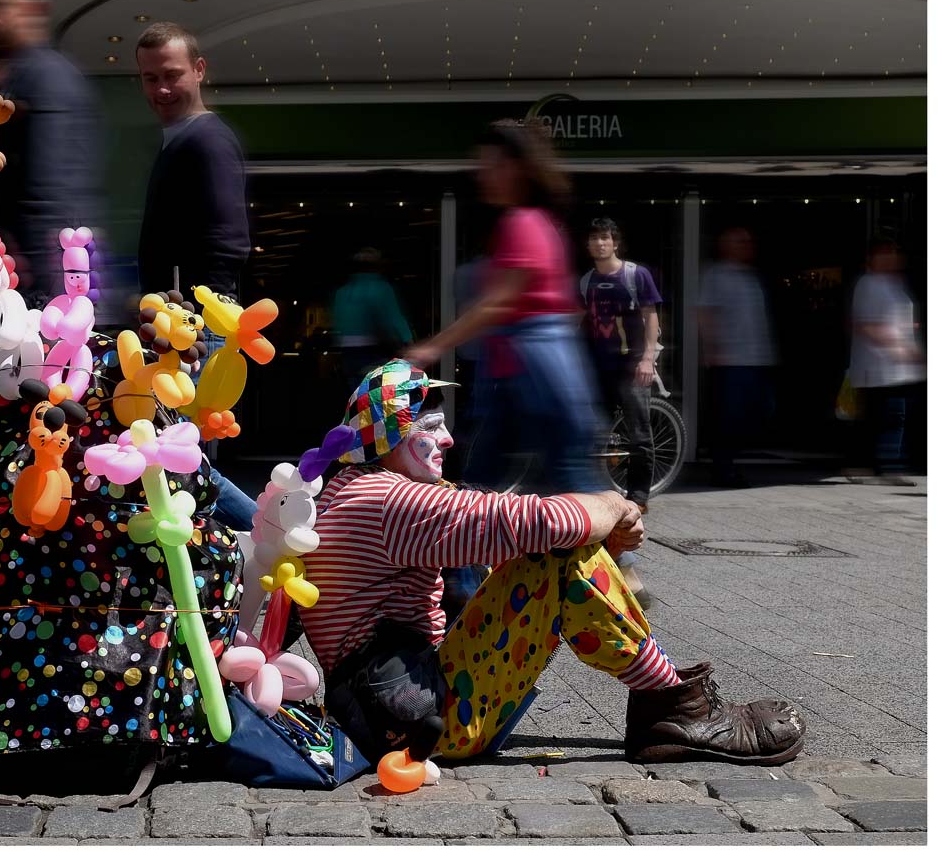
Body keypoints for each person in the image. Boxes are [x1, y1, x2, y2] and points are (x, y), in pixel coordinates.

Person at [301, 359, 806, 775]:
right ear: (391, 437)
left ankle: (668, 702)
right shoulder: (385, 501)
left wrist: (599, 527)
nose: (449, 439)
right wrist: (610, 505)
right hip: (423, 723)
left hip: (403, 702)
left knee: (560, 545)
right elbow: (534, 523)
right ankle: (673, 708)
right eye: (432, 427)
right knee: (561, 555)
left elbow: (495, 525)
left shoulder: (360, 489)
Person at [406, 120, 602, 496]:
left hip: (531, 368)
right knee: (529, 475)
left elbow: (498, 303)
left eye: (493, 165)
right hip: (529, 368)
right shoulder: (543, 223)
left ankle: (610, 549)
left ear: (519, 168)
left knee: (546, 477)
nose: (483, 176)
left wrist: (431, 347)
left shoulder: (522, 222)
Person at [134, 21, 255, 531]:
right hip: (185, 323)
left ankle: (290, 541)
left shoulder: (206, 140)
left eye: (172, 74)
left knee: (180, 462)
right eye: (148, 78)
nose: (161, 89)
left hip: (194, 327)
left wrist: (193, 312)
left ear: (199, 70)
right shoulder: (183, 139)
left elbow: (230, 239)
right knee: (183, 458)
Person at [0, 0, 103, 307]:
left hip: (39, 300)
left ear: (30, 10)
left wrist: (39, 301)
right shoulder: (18, 78)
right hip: (21, 290)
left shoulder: (45, 77)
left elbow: (49, 197)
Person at [581, 218, 663, 512]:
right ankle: (596, 492)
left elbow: (651, 316)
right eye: (594, 238)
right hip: (598, 366)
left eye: (605, 238)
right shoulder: (586, 280)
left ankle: (638, 497)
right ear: (588, 245)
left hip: (631, 366)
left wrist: (647, 358)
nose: (600, 243)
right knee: (593, 432)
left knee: (639, 433)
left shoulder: (635, 275)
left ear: (615, 243)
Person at [698, 227, 777, 488]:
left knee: (760, 412)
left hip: (757, 359)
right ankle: (723, 469)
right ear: (725, 245)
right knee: (729, 418)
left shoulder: (751, 277)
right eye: (740, 241)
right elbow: (705, 313)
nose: (746, 245)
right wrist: (712, 349)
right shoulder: (716, 275)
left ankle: (726, 463)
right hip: (731, 360)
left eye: (747, 240)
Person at [847, 238, 924, 483]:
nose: (891, 258)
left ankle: (879, 465)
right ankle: (887, 465)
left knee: (889, 416)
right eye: (885, 254)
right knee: (887, 416)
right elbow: (865, 324)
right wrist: (898, 347)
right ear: (872, 258)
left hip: (898, 366)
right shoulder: (869, 283)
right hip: (878, 365)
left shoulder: (894, 284)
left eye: (893, 253)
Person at [333, 246, 414, 387]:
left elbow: (339, 324)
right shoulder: (381, 288)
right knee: (379, 395)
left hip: (348, 352)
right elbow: (395, 318)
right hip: (374, 350)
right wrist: (409, 341)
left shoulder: (342, 292)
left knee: (356, 395)